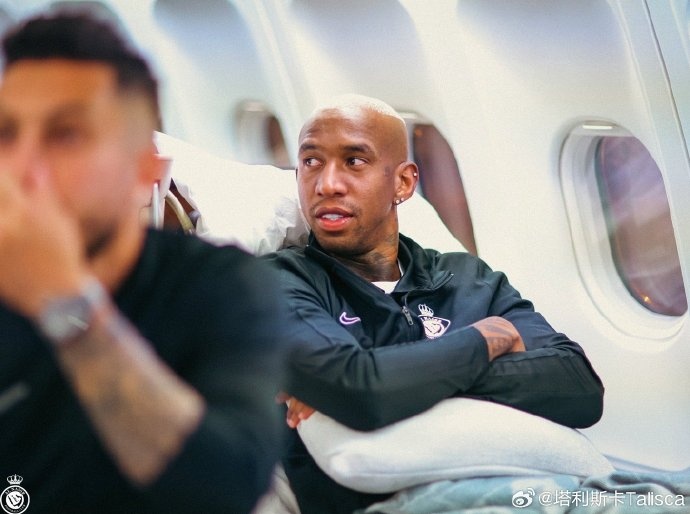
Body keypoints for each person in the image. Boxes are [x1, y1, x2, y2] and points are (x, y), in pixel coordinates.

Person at [0, 11, 284, 514]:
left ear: (144, 168)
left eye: (65, 135)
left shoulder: (223, 286)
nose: (23, 167)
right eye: (6, 134)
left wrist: (65, 302)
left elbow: (226, 485)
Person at [266, 94, 605, 514]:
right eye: (311, 162)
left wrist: (394, 380)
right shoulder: (278, 280)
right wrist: (487, 339)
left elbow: (579, 387)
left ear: (403, 183)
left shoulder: (466, 278)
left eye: (354, 161)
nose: (327, 184)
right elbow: (357, 392)